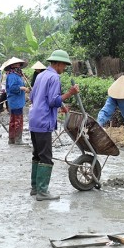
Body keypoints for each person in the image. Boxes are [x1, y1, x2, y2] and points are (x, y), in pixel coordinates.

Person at [29, 50, 79, 201]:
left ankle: (35, 187)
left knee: (37, 154)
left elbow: (33, 97)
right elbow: (52, 101)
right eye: (64, 65)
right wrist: (70, 93)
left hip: (34, 119)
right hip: (44, 120)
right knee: (46, 157)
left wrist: (60, 105)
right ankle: (42, 192)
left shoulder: (40, 76)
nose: (64, 68)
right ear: (58, 63)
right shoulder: (54, 77)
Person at [5, 57, 29, 145]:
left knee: (13, 119)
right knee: (18, 120)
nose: (19, 66)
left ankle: (12, 139)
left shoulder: (17, 75)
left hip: (17, 100)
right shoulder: (12, 76)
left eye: (19, 64)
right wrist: (22, 88)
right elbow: (12, 88)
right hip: (15, 101)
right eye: (17, 64)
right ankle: (18, 140)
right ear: (12, 66)